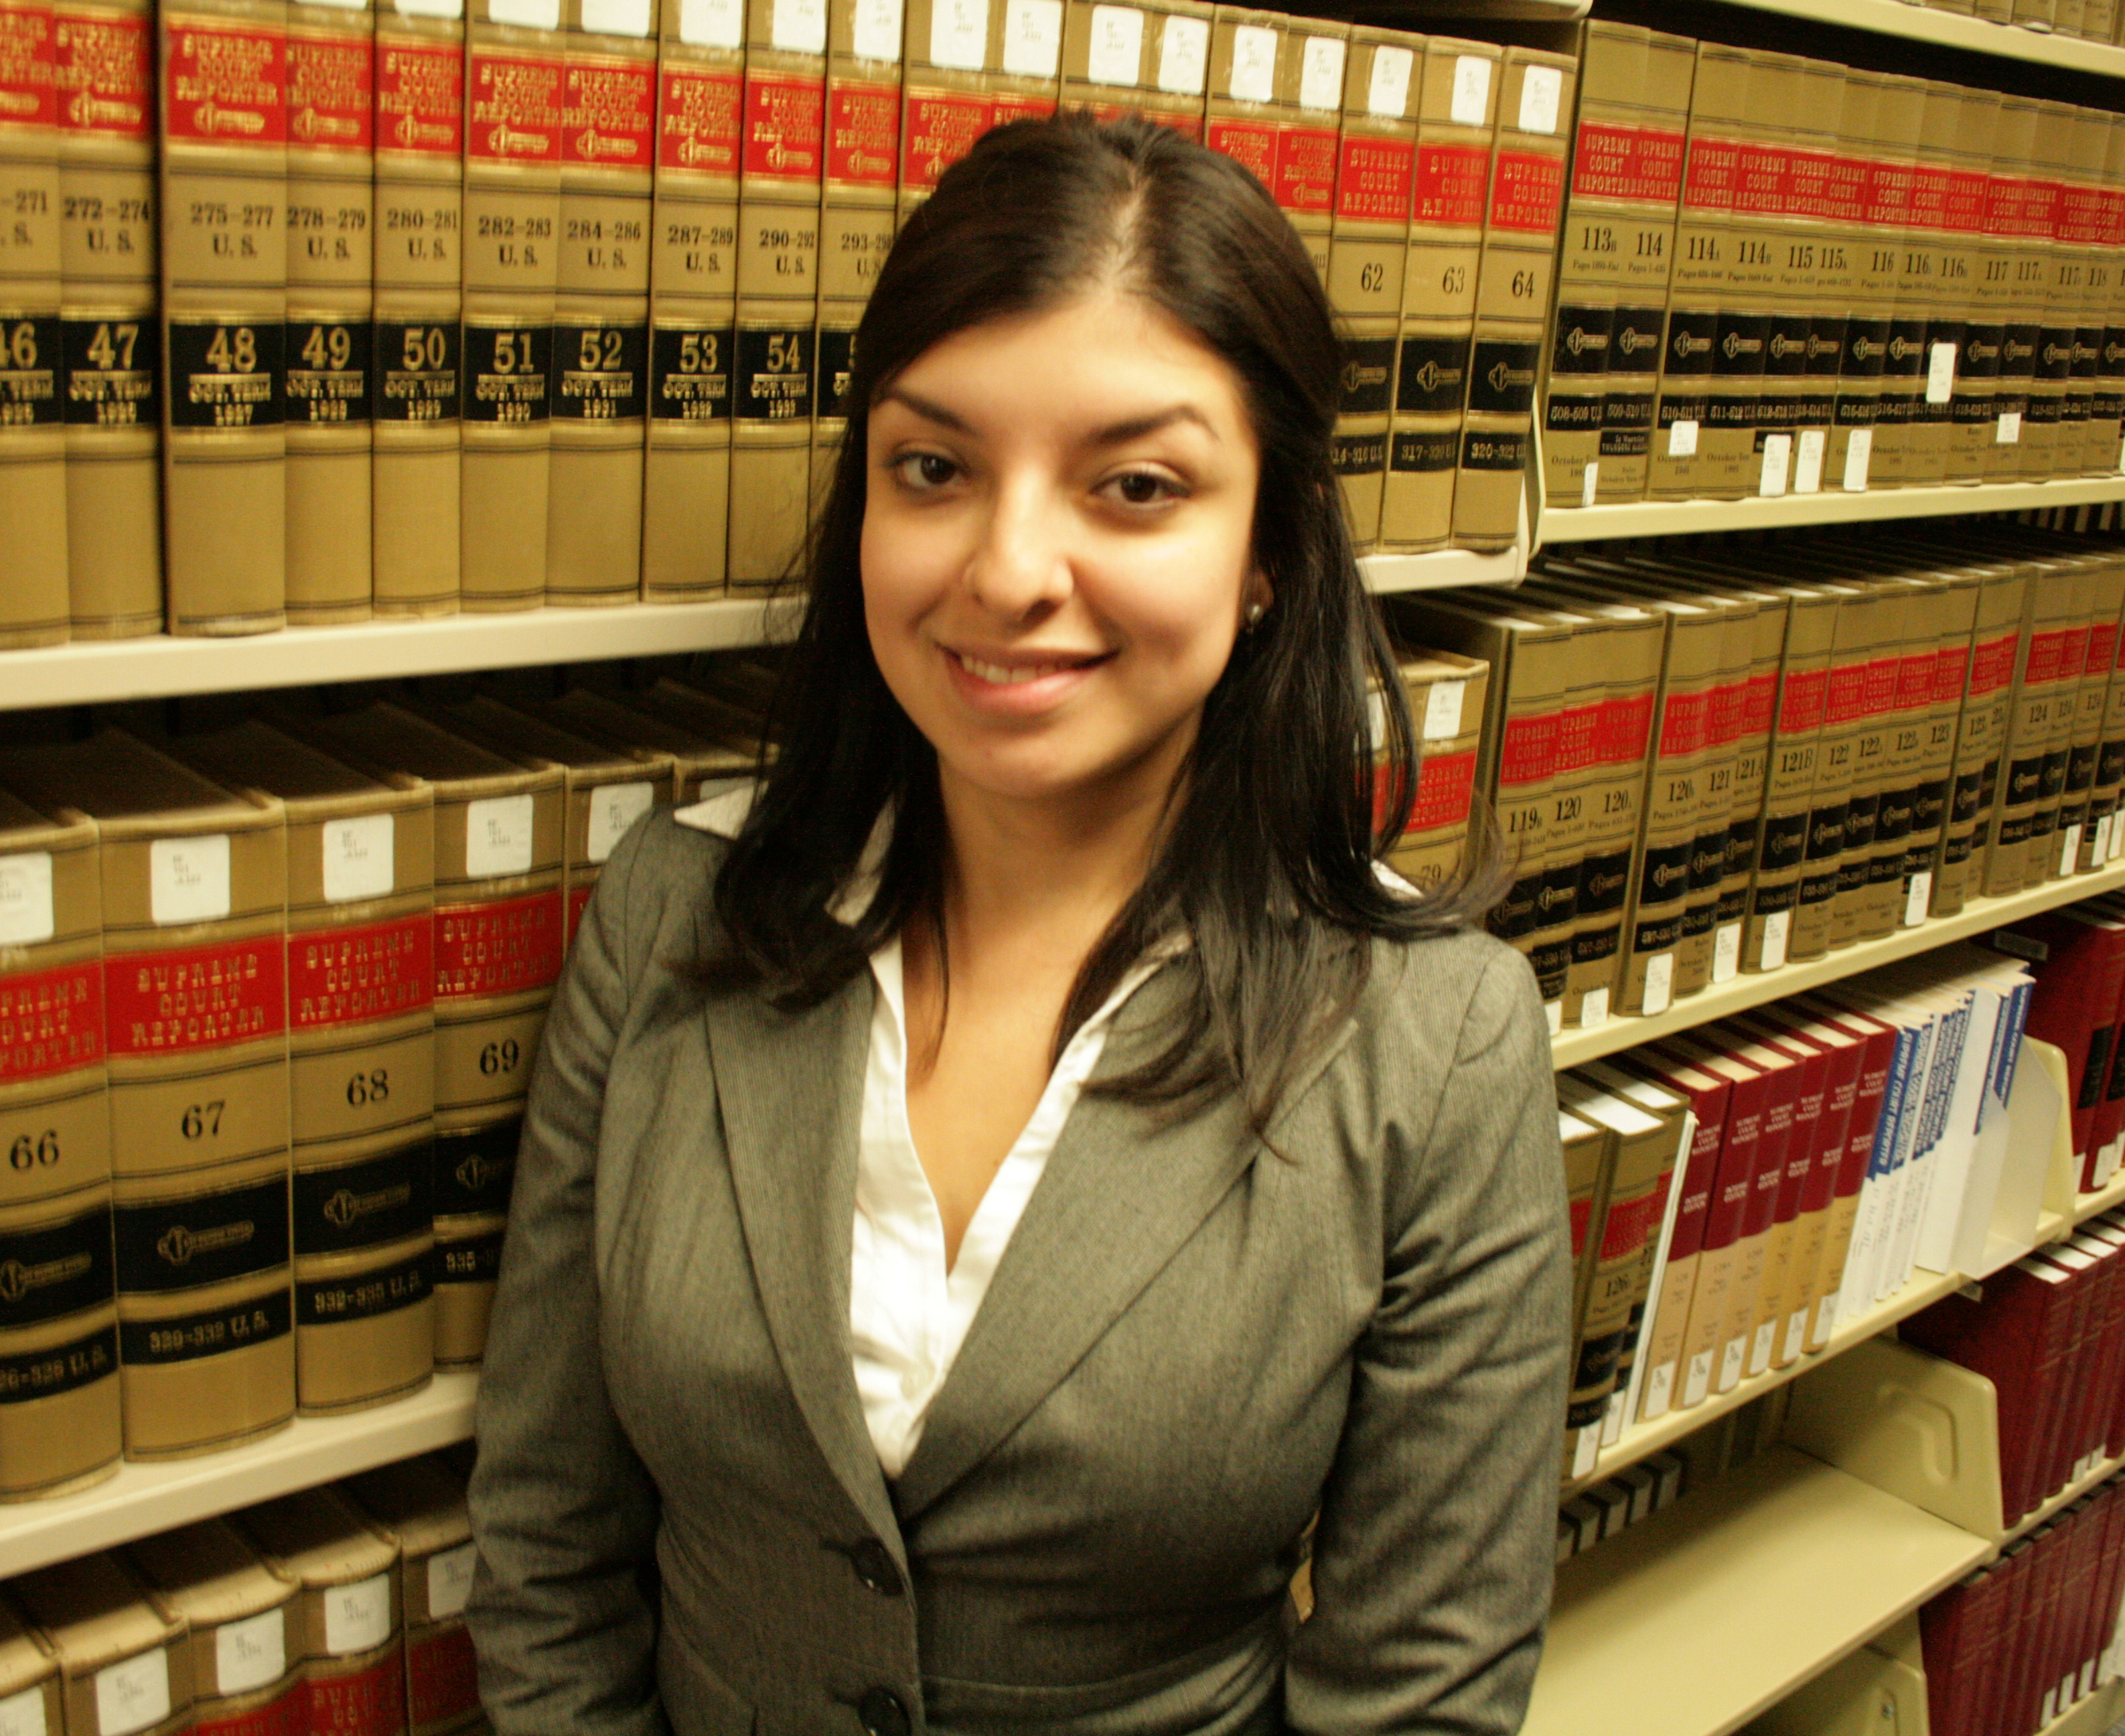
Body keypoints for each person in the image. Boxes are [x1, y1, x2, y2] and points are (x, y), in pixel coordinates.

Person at [464, 111, 1569, 1736]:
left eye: (1136, 487)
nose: (1007, 570)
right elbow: (549, 1555)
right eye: (935, 469)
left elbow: (1423, 1697)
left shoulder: (1438, 1045)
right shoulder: (671, 920)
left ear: (1267, 549)